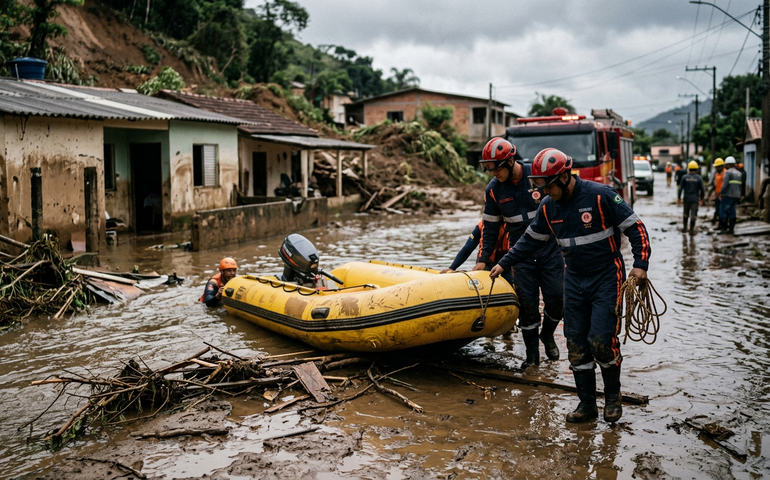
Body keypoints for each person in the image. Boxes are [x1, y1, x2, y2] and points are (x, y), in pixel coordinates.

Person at [489, 148, 651, 424]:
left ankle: (613, 398)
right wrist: (503, 263)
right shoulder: (548, 207)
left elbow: (635, 228)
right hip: (574, 279)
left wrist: (640, 265)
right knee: (576, 343)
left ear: (564, 178)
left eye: (547, 186)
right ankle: (586, 405)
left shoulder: (600, 195)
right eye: (539, 186)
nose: (543, 191)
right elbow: (528, 241)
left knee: (601, 341)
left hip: (606, 277)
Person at [475, 138, 565, 369]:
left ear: (510, 161)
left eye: (496, 168)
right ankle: (532, 358)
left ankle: (547, 335)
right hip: (520, 255)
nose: (493, 173)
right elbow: (490, 228)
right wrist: (483, 260)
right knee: (527, 306)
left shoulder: (535, 177)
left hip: (549, 250)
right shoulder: (494, 190)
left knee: (557, 300)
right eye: (489, 168)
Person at [440, 220, 509, 277]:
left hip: (508, 262)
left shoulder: (512, 226)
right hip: (485, 263)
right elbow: (468, 248)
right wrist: (452, 267)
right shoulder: (481, 225)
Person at [677, 161, 705, 233]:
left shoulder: (684, 177)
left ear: (688, 169)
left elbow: (680, 189)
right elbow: (702, 190)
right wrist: (702, 199)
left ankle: (684, 228)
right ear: (696, 169)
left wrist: (679, 198)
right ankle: (691, 230)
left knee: (685, 213)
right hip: (695, 199)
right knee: (693, 215)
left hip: (686, 198)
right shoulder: (699, 178)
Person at [718, 156, 742, 235]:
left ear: (727, 165)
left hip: (728, 195)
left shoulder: (728, 172)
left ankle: (724, 228)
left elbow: (725, 185)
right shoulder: (739, 173)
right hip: (736, 195)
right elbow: (741, 185)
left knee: (723, 211)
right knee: (732, 211)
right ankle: (731, 229)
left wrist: (720, 193)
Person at [706, 158, 726, 229]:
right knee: (718, 210)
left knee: (723, 211)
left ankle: (723, 225)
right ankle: (719, 224)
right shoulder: (716, 174)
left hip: (724, 195)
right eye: (716, 167)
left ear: (722, 166)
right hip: (718, 195)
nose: (716, 168)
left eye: (717, 167)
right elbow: (714, 184)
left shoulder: (725, 173)